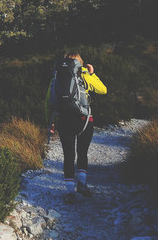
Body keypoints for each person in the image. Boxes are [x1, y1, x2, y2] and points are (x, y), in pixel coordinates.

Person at [46, 52, 107, 204]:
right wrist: (91, 74)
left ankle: (69, 191)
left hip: (64, 120)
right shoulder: (84, 76)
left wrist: (50, 122)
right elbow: (103, 90)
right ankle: (82, 184)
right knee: (82, 152)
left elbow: (49, 101)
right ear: (80, 64)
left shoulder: (56, 78)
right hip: (84, 120)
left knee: (68, 155)